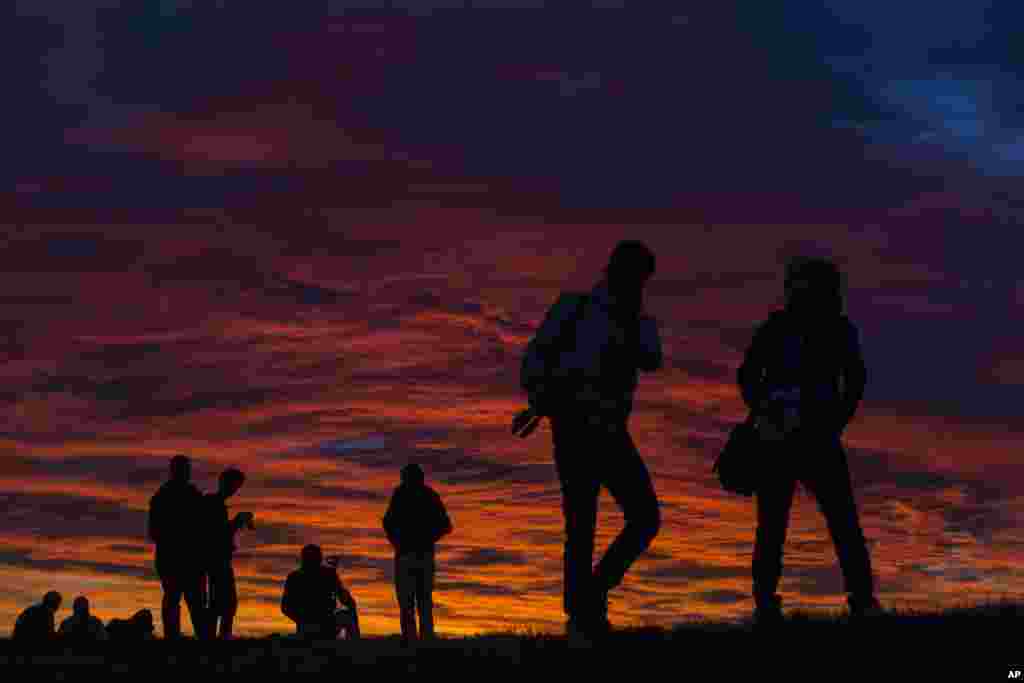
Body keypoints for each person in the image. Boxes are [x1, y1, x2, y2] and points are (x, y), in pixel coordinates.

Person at [519, 240, 663, 640]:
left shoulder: (637, 321)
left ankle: (591, 595)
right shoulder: (574, 308)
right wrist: (544, 396)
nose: (635, 282)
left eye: (640, 277)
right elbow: (533, 361)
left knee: (644, 517)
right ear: (613, 269)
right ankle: (581, 615)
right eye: (630, 272)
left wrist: (628, 324)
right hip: (573, 429)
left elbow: (652, 357)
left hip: (612, 430)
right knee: (581, 525)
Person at [737, 256, 881, 624]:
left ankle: (859, 602)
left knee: (833, 522)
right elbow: (748, 375)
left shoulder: (833, 328)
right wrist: (767, 411)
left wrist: (834, 422)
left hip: (815, 437)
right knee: (780, 524)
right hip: (785, 438)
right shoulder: (782, 326)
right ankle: (770, 604)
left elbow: (855, 380)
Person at [382, 463, 452, 643]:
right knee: (413, 602)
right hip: (409, 554)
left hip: (418, 555)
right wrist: (398, 541)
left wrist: (425, 539)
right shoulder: (402, 494)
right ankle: (414, 640)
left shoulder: (426, 495)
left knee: (419, 601)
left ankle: (421, 640)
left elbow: (446, 525)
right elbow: (388, 523)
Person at [148, 454, 208, 639]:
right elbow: (154, 531)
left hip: (188, 559)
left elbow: (203, 527)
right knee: (177, 599)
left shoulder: (191, 494)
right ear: (174, 471)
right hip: (174, 559)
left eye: (187, 469)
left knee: (193, 602)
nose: (186, 473)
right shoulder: (163, 496)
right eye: (183, 469)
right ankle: (174, 639)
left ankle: (199, 639)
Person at [202, 467, 252, 640]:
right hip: (216, 560)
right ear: (224, 483)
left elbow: (220, 532)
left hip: (218, 558)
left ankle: (218, 636)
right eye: (234, 486)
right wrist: (237, 522)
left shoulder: (215, 503)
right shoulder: (212, 503)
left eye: (237, 487)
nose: (234, 490)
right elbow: (217, 533)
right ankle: (219, 637)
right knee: (225, 603)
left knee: (222, 602)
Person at [281, 544, 360, 640]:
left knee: (347, 615)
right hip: (319, 627)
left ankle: (351, 644)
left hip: (313, 627)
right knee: (348, 616)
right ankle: (353, 646)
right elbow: (347, 601)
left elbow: (285, 607)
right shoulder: (327, 574)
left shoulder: (294, 577)